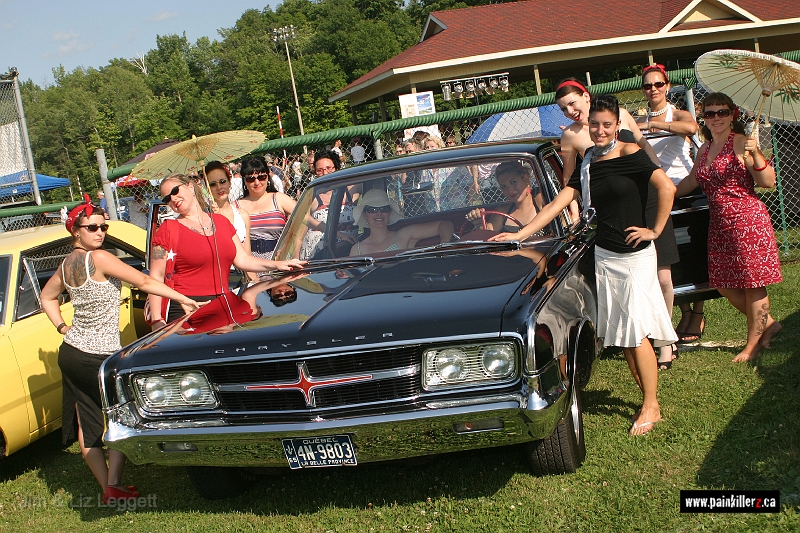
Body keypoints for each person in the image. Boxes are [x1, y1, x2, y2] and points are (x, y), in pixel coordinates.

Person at [492, 95, 678, 436]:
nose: (600, 130)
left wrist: (654, 230)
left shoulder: (631, 153)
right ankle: (645, 395)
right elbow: (559, 202)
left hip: (634, 256)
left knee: (636, 332)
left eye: (607, 124)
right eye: (595, 125)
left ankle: (651, 404)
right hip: (605, 254)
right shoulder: (589, 160)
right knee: (622, 333)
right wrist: (519, 234)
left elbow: (666, 187)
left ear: (617, 125)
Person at [40, 196, 203, 503]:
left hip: (71, 352)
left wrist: (62, 328)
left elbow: (47, 298)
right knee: (119, 416)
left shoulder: (66, 264)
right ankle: (114, 483)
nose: (99, 232)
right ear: (75, 231)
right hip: (100, 357)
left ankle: (107, 487)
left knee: (88, 420)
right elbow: (143, 280)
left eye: (103, 227)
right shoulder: (99, 258)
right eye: (92, 228)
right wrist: (182, 298)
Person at [675, 92, 782, 363]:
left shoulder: (742, 143)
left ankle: (752, 345)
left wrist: (755, 153)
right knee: (723, 285)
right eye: (710, 113)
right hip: (720, 226)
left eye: (722, 112)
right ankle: (768, 324)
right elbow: (692, 181)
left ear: (732, 114)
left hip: (747, 222)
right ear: (704, 118)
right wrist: (664, 192)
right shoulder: (704, 148)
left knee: (753, 284)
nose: (716, 118)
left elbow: (767, 181)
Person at [148, 174, 305, 326]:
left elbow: (243, 260)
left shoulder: (222, 222)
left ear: (190, 186)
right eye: (167, 198)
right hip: (186, 308)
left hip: (224, 304)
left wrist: (278, 265)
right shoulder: (168, 229)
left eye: (175, 191)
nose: (173, 199)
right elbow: (156, 276)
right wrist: (156, 320)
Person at [637, 64, 700, 368]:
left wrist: (654, 126)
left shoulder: (678, 114)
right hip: (654, 197)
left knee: (689, 257)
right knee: (664, 266)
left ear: (667, 85)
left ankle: (695, 313)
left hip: (683, 190)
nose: (653, 89)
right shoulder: (638, 118)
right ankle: (677, 321)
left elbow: (692, 128)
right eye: (648, 85)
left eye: (658, 84)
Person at [556, 77, 661, 221]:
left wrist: (659, 172)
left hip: (647, 190)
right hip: (613, 201)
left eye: (572, 103)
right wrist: (574, 212)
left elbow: (644, 145)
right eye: (564, 109)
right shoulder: (570, 134)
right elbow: (568, 176)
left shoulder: (622, 114)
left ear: (586, 96)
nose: (570, 111)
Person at [349, 189, 454, 256]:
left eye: (384, 208)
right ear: (365, 214)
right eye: (372, 210)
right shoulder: (357, 250)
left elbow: (445, 224)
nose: (379, 213)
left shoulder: (404, 235)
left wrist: (444, 244)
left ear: (389, 212)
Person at [235, 157, 296, 261]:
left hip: (279, 259)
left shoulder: (279, 199)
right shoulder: (236, 206)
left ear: (268, 177)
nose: (257, 182)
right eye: (251, 179)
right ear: (244, 181)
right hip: (250, 262)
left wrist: (288, 242)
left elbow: (305, 215)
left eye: (261, 177)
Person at [300, 150, 359, 259]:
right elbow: (301, 231)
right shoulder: (311, 196)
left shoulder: (351, 190)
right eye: (319, 170)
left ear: (336, 168)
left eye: (329, 168)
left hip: (349, 251)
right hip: (317, 254)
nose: (325, 173)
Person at [465, 161, 544, 232]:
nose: (510, 190)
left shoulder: (539, 201)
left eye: (513, 182)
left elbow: (551, 210)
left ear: (525, 178)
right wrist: (479, 222)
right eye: (504, 186)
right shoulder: (502, 211)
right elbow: (489, 234)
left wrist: (519, 236)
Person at [205, 161, 251, 255]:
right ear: (207, 188)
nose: (219, 187)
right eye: (213, 184)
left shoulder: (243, 215)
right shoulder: (204, 218)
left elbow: (247, 255)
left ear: (229, 183)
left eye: (222, 181)